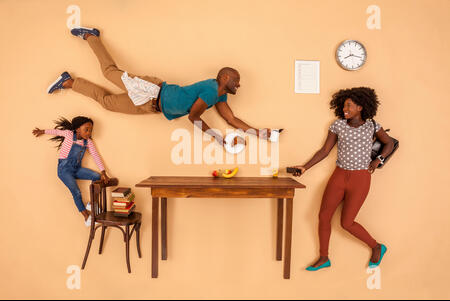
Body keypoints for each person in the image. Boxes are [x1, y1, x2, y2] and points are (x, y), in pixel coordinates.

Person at [47, 27, 273, 147]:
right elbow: (193, 117)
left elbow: (231, 120)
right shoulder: (211, 89)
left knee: (107, 103)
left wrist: (258, 132)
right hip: (152, 91)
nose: (239, 84)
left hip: (150, 107)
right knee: (109, 73)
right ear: (224, 77)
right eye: (236, 80)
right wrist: (216, 136)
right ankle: (90, 36)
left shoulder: (220, 97)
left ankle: (69, 82)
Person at [291, 87, 394, 271]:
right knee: (323, 216)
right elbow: (324, 151)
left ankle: (377, 246)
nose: (345, 108)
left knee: (346, 223)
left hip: (360, 178)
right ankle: (324, 257)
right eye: (343, 105)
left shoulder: (372, 125)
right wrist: (305, 167)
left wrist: (378, 160)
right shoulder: (337, 125)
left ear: (361, 107)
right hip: (339, 176)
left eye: (349, 105)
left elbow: (389, 143)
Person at [32, 116, 110, 227]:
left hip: (76, 169)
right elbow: (56, 131)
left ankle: (92, 204)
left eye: (90, 130)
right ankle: (86, 216)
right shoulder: (69, 134)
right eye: (86, 129)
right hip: (64, 170)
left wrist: (103, 172)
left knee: (96, 176)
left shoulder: (88, 142)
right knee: (76, 192)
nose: (89, 132)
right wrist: (42, 131)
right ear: (78, 129)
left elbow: (95, 155)